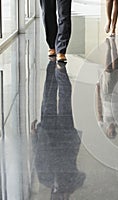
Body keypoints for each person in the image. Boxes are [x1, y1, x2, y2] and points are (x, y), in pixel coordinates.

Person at [31, 59, 85, 199]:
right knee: (65, 97)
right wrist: (69, 188)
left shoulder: (45, 179)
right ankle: (60, 70)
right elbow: (82, 176)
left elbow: (37, 156)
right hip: (65, 135)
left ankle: (51, 65)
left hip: (48, 132)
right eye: (64, 198)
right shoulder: (72, 183)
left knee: (49, 96)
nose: (62, 196)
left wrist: (33, 136)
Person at [96, 38, 118, 139]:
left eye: (110, 133)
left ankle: (108, 48)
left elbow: (99, 108)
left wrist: (98, 90)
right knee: (116, 67)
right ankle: (114, 47)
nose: (112, 132)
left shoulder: (102, 123)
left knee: (108, 70)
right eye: (113, 133)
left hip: (106, 96)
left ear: (107, 131)